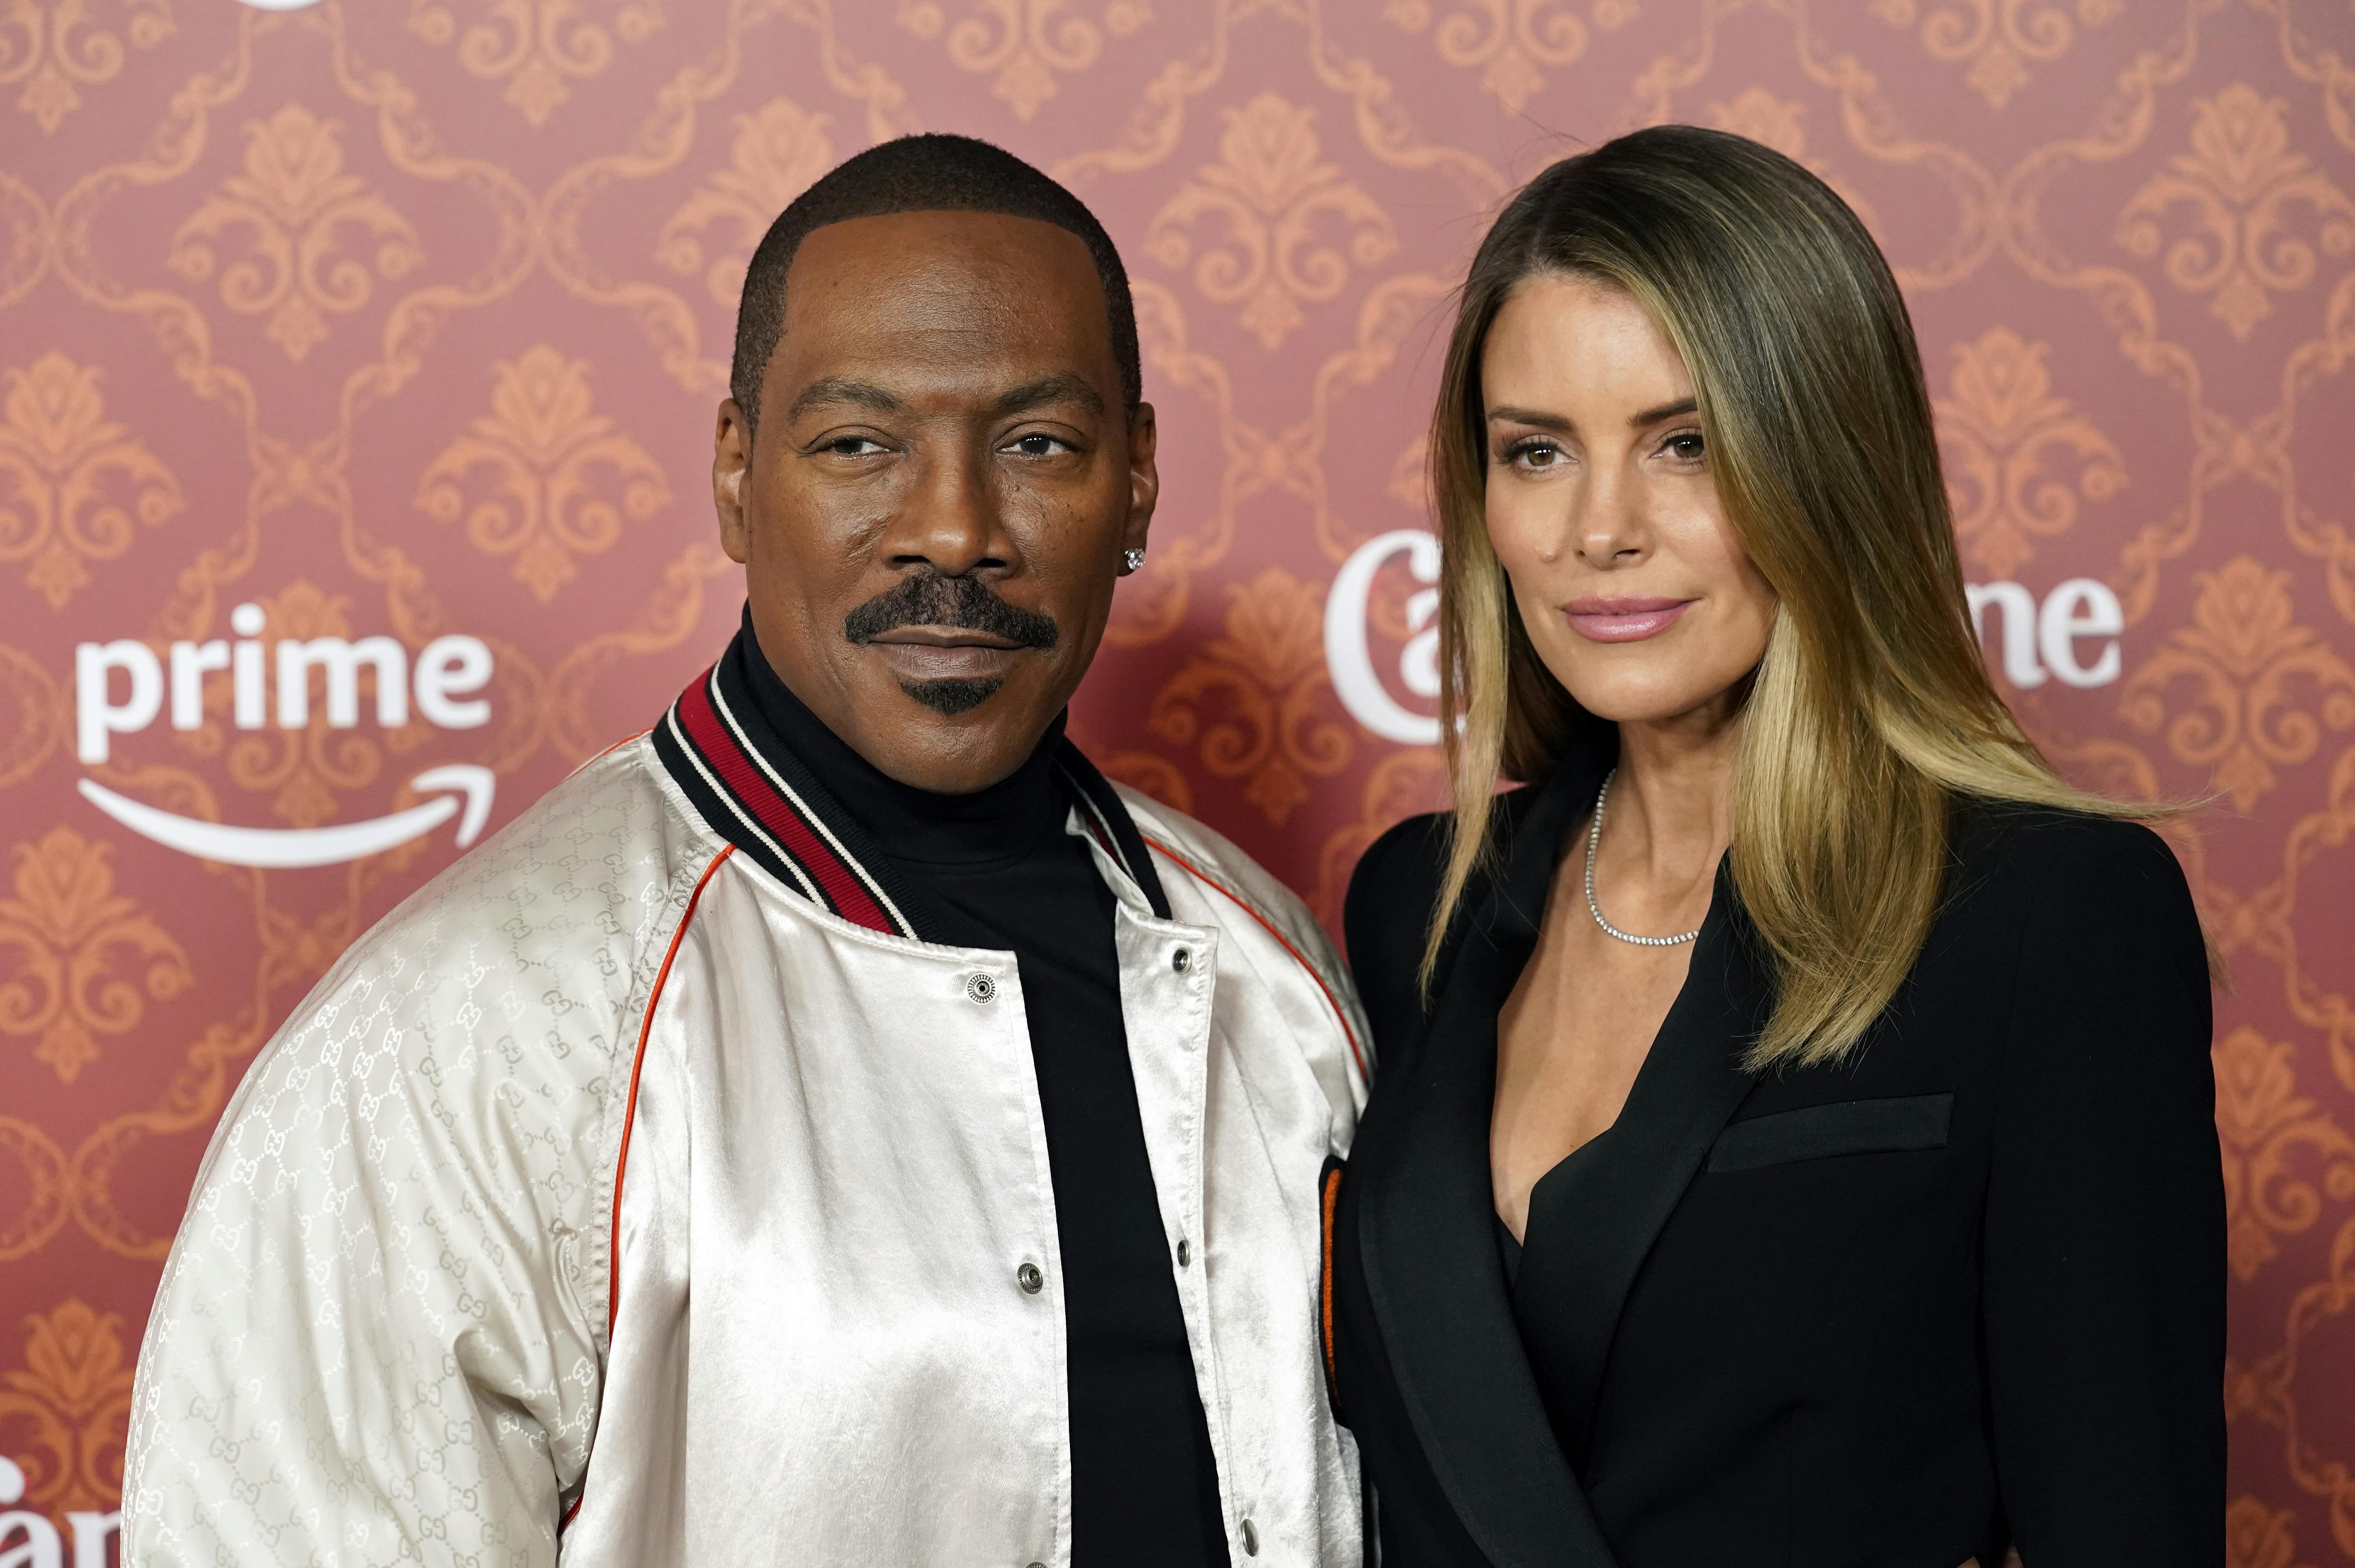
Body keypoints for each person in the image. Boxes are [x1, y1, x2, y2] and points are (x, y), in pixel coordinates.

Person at [124, 135, 1369, 1568]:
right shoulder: (472, 1025)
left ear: (1137, 482)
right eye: (859, 445)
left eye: (1038, 445)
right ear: (735, 474)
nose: (954, 528)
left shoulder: (1277, 977)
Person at [1322, 126, 2222, 1567]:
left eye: (1685, 444)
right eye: (1536, 452)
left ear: (1828, 464)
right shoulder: (1416, 907)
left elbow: (2122, 1519)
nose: (1597, 530)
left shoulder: (2050, 919)